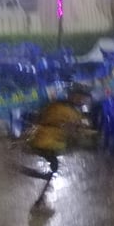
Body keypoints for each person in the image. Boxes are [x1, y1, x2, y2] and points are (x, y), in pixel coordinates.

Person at [20, 85, 89, 214]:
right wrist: (82, 136)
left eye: (84, 98)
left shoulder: (57, 105)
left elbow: (41, 118)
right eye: (81, 97)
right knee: (53, 170)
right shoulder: (68, 111)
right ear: (73, 96)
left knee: (53, 169)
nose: (83, 100)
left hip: (41, 138)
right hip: (49, 142)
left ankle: (40, 195)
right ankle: (39, 201)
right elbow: (72, 131)